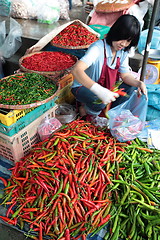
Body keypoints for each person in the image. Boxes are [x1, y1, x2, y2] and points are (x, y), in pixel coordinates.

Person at [71, 14, 147, 123]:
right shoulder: (97, 48)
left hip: (106, 89)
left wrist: (139, 83)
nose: (123, 44)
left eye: (128, 41)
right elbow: (76, 70)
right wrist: (99, 90)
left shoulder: (122, 51)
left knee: (131, 89)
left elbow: (125, 76)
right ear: (116, 32)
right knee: (99, 100)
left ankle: (110, 113)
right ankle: (86, 111)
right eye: (122, 38)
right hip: (83, 87)